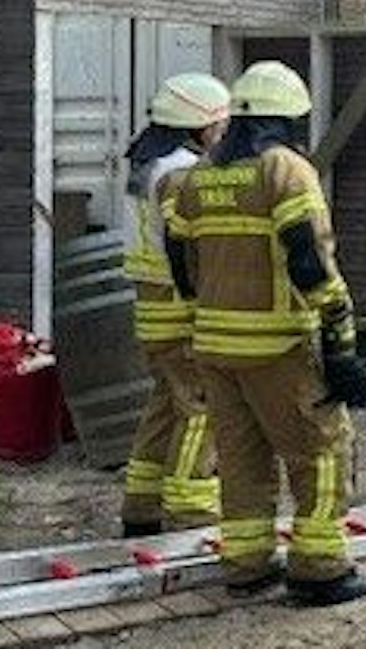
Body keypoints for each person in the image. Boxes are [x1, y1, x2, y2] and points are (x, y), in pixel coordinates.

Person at [164, 60, 366, 605]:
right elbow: (309, 259)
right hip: (279, 345)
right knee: (322, 452)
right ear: (286, 120)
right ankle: (321, 568)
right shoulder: (285, 171)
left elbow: (179, 255)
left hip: (215, 346)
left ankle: (247, 564)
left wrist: (202, 308)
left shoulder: (200, 176)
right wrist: (339, 334)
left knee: (241, 458)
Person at [119, 72, 229, 538]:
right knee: (200, 407)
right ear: (199, 125)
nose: (223, 134)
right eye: (220, 124)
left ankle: (141, 506)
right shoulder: (183, 172)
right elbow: (190, 248)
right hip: (180, 304)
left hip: (150, 303)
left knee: (165, 404)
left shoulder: (147, 163)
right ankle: (191, 513)